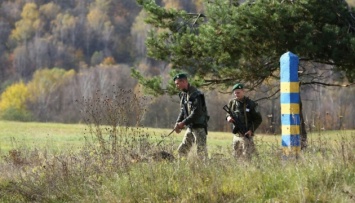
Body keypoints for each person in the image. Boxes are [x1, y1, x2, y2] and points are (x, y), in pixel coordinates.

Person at [173, 73, 209, 159]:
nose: (177, 86)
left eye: (178, 83)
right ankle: (181, 168)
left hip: (199, 127)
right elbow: (183, 110)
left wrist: (183, 123)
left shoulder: (196, 95)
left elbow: (196, 113)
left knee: (201, 153)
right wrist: (178, 122)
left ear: (184, 82)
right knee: (182, 150)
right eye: (176, 84)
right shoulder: (183, 95)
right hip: (190, 127)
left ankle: (205, 170)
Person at [225, 83, 262, 160]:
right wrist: (228, 117)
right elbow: (228, 113)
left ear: (243, 91)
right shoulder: (232, 103)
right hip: (236, 135)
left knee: (247, 158)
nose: (236, 94)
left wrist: (251, 130)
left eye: (238, 92)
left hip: (246, 134)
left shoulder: (251, 104)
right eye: (235, 92)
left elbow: (258, 119)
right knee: (235, 157)